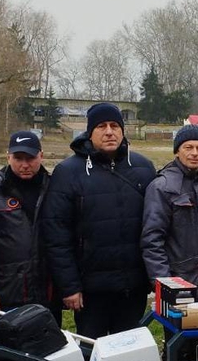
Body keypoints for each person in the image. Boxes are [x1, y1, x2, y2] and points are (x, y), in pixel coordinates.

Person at [42, 103, 156, 338]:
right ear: (89, 132)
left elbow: (155, 227)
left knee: (129, 354)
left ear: (123, 131)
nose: (109, 132)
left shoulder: (143, 168)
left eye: (115, 126)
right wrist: (70, 286)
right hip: (90, 291)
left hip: (132, 287)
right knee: (91, 354)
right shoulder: (69, 171)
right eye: (101, 126)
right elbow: (57, 234)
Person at [0, 131, 59, 323]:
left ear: (41, 156)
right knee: (4, 351)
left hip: (47, 291)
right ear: (8, 156)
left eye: (31, 158)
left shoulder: (54, 188)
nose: (25, 165)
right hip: (7, 292)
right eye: (18, 158)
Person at [141, 125, 198, 306]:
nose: (194, 153)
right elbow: (152, 240)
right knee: (181, 334)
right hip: (180, 283)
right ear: (177, 151)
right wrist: (165, 284)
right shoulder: (162, 187)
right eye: (188, 148)